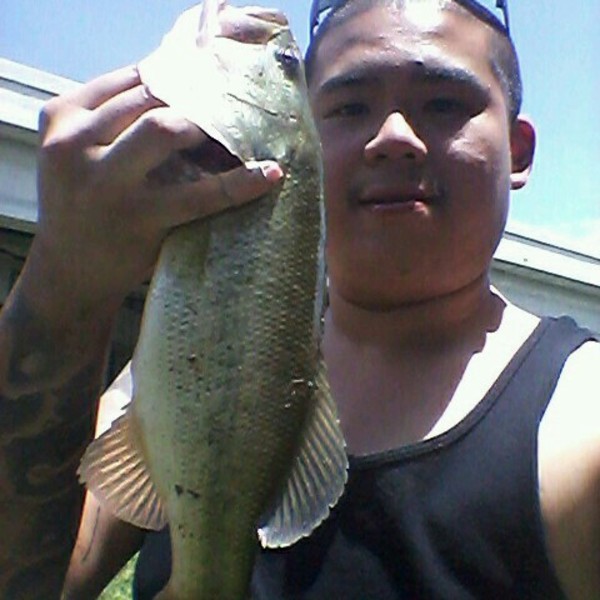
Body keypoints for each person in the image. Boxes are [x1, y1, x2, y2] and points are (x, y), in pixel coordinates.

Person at [0, 0, 598, 598]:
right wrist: (62, 284)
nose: (393, 137)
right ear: (307, 131)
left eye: (444, 104)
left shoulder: (583, 418)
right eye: (349, 107)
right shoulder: (178, 371)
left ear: (518, 150)